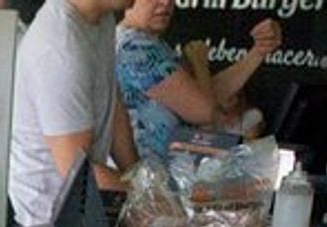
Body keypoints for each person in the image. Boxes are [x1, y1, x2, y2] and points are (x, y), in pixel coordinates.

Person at [8, 0, 139, 227]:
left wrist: (139, 173)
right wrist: (156, 198)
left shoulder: (102, 18)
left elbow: (111, 100)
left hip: (79, 210)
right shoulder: (58, 48)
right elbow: (77, 174)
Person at [115, 2, 281, 162]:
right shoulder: (136, 47)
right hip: (143, 177)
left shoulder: (146, 42)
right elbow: (204, 111)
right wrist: (200, 63)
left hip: (153, 177)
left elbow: (202, 94)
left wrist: (259, 51)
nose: (165, 3)